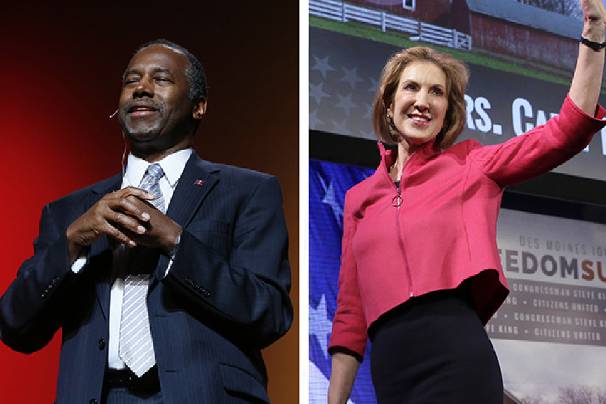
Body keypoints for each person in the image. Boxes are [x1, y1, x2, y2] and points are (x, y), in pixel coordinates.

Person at [327, 1, 606, 403]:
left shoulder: (471, 164)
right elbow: (350, 317)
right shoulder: (359, 199)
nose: (423, 100)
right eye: (411, 87)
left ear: (447, 113)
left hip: (456, 360)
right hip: (390, 375)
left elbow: (566, 132)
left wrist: (594, 36)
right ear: (389, 106)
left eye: (436, 92)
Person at [0, 39, 293, 404]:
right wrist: (73, 242)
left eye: (161, 79)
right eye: (131, 80)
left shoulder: (247, 191)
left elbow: (269, 314)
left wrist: (176, 242)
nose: (141, 88)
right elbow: (16, 326)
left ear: (199, 107)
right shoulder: (69, 213)